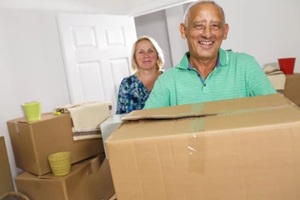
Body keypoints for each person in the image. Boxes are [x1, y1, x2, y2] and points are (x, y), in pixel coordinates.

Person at [144, 0, 276, 109]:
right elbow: (146, 129)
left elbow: (278, 112)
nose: (207, 34)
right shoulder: (167, 82)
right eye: (199, 26)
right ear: (184, 31)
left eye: (215, 26)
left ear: (225, 31)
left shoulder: (246, 66)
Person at [116, 36, 165, 114]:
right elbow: (120, 116)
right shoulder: (127, 84)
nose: (146, 55)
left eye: (150, 51)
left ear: (157, 55)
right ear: (135, 57)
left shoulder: (168, 79)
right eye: (141, 52)